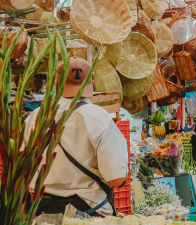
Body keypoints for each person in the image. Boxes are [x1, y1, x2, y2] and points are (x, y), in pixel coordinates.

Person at [24, 57, 129, 216]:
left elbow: (22, 168)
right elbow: (115, 179)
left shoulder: (35, 117)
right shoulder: (100, 119)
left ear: (57, 84)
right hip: (87, 213)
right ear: (91, 84)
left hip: (41, 211)